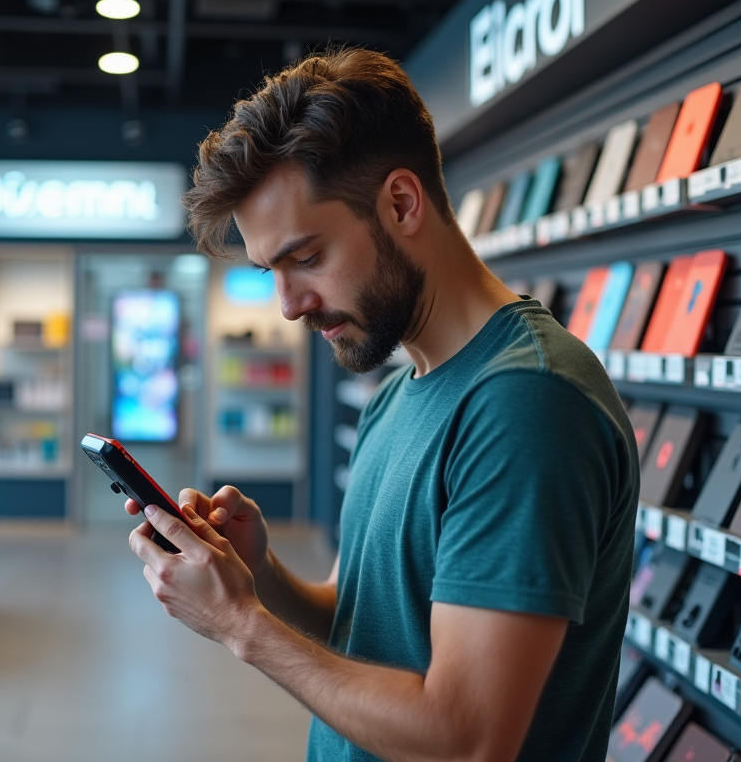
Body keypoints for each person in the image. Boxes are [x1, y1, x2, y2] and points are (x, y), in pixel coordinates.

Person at [125, 47, 639, 762]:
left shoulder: (526, 402)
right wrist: (261, 578)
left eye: (306, 258)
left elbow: (467, 739)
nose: (289, 306)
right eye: (272, 270)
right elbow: (363, 624)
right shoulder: (395, 394)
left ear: (401, 203)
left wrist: (241, 624)